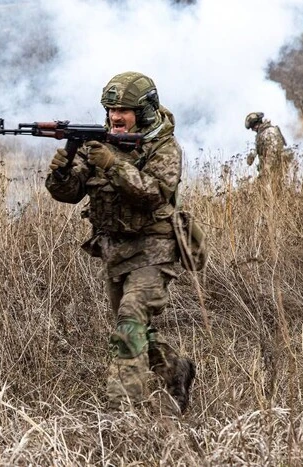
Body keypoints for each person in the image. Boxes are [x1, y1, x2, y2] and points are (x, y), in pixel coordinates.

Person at [45, 71, 196, 413]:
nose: (115, 116)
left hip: (155, 250)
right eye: (111, 109)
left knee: (129, 322)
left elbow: (155, 193)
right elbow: (68, 193)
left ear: (143, 111)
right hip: (116, 251)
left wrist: (114, 165)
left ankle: (123, 416)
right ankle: (176, 370)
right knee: (136, 329)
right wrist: (62, 169)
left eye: (124, 110)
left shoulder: (164, 146)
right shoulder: (99, 144)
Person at [245, 112, 291, 187]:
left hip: (277, 170)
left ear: (257, 124)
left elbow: (272, 152)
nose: (252, 130)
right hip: (270, 171)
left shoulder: (269, 132)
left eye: (252, 127)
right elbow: (258, 147)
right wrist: (252, 156)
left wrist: (265, 171)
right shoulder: (261, 134)